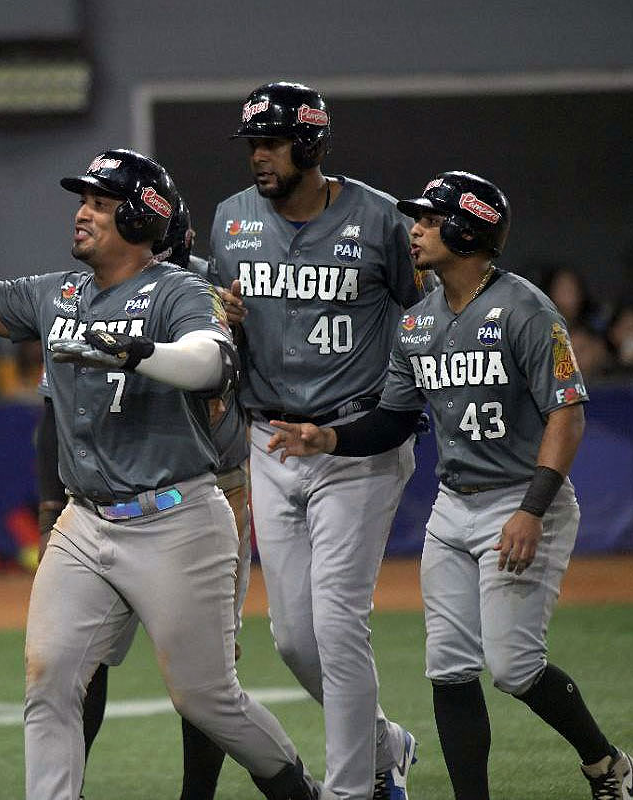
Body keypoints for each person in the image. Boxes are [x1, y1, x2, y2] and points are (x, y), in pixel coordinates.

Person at [0, 123, 330, 800]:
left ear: (140, 215)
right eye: (85, 199)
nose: (82, 210)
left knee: (206, 700)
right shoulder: (60, 294)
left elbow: (211, 358)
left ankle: (296, 787)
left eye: (99, 201)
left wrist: (140, 354)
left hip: (177, 520)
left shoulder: (178, 291)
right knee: (50, 679)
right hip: (85, 522)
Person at [265, 171, 633, 800]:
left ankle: (606, 763)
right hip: (453, 504)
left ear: (467, 229)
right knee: (448, 669)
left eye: (429, 220)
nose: (414, 230)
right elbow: (392, 420)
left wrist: (531, 511)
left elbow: (568, 414)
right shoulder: (416, 324)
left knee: (514, 667)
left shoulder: (524, 308)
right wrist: (328, 438)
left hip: (521, 499)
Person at [208, 81, 419, 800]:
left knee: (336, 622)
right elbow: (215, 326)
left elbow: (425, 317)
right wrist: (219, 314)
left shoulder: (382, 219)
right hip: (270, 439)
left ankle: (353, 789)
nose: (258, 157)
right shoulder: (231, 220)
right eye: (253, 145)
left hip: (353, 441)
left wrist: (404, 405)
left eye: (270, 143)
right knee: (294, 638)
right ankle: (385, 743)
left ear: (309, 143)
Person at [31, 196, 254, 800]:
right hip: (102, 502)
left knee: (207, 674)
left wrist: (245, 327)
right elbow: (56, 404)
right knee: (80, 660)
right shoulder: (88, 294)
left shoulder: (206, 290)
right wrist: (54, 503)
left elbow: (254, 371)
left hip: (208, 487)